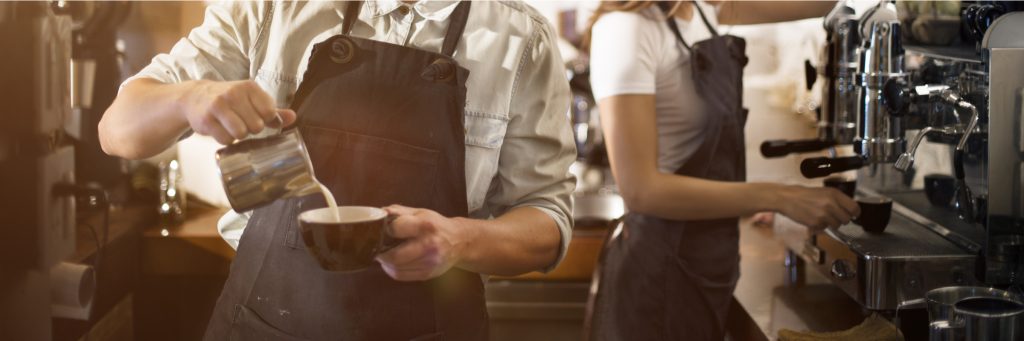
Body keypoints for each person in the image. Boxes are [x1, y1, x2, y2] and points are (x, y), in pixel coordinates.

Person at [99, 1, 576, 339]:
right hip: (264, 326)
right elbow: (118, 130)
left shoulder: (521, 40)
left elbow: (547, 219)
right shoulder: (270, 10)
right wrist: (189, 97)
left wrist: (458, 241)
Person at [585, 1, 859, 340]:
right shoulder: (627, 29)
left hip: (710, 267)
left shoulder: (704, 10)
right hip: (657, 276)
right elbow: (641, 190)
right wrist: (780, 196)